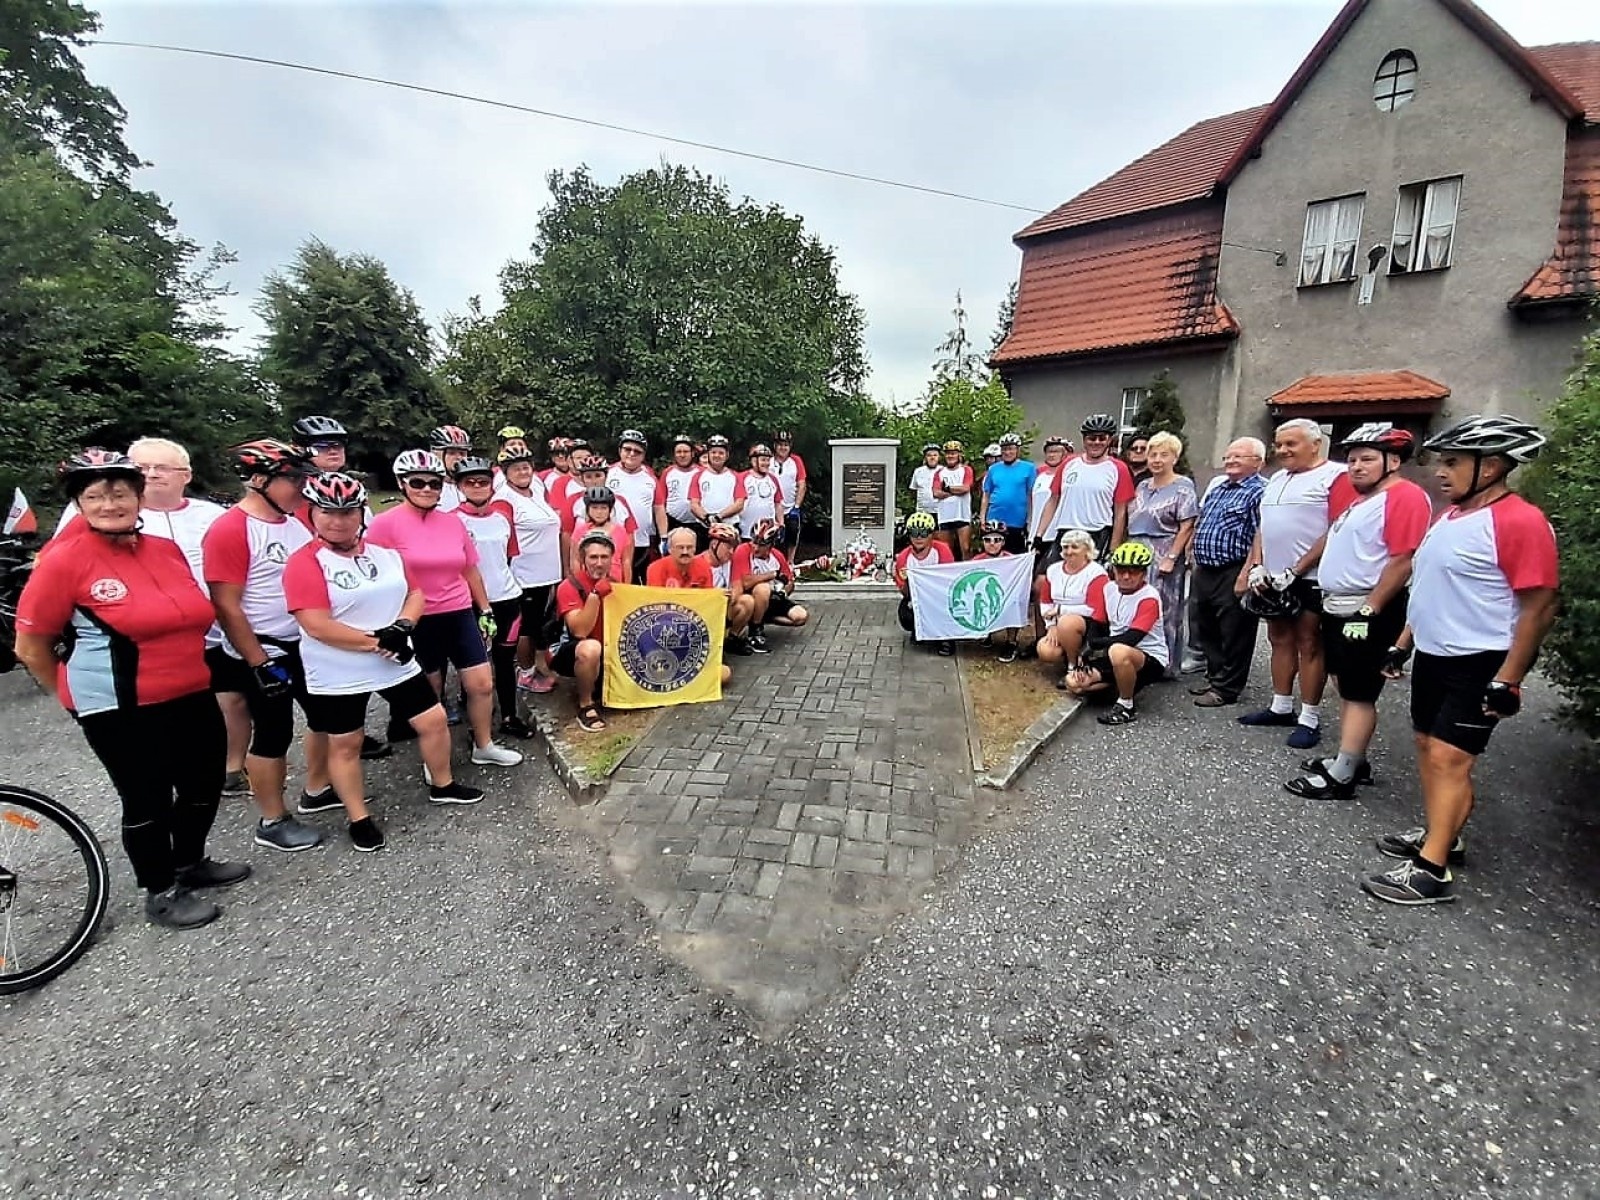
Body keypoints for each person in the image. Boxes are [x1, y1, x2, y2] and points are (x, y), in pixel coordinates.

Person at [15, 450, 249, 929]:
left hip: (190, 687)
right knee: (147, 798)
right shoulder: (63, 560)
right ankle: (159, 891)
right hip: (118, 704)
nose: (109, 504)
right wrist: (70, 697)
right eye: (94, 496)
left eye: (120, 492)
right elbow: (30, 645)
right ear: (78, 503)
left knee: (204, 784)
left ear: (139, 496)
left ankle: (189, 862)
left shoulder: (163, 549)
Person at [1361, 416, 1558, 906]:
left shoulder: (1519, 520)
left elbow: (1540, 605)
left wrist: (1509, 679)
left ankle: (1432, 870)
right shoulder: (1449, 517)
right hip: (1433, 651)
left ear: (1490, 466)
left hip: (1481, 658)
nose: (1441, 472)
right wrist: (1402, 642)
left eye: (1453, 463)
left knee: (1451, 757)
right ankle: (1444, 833)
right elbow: (1428, 585)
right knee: (1428, 746)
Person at [284, 474, 483, 851]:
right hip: (338, 667)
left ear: (362, 513)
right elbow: (316, 624)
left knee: (433, 720)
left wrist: (404, 624)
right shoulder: (305, 562)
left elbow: (415, 592)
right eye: (328, 512)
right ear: (312, 514)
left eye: (347, 512)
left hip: (394, 654)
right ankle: (359, 818)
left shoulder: (385, 553)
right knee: (346, 742)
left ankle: (442, 784)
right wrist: (378, 641)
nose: (338, 521)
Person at [1284, 425, 1431, 800]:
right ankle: (1352, 756)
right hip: (1340, 604)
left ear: (1393, 461)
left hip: (1366, 608)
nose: (1356, 467)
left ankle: (1344, 775)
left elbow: (1403, 559)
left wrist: (1371, 609)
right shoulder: (1362, 500)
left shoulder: (1404, 497)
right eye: (1351, 460)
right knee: (1345, 683)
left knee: (1359, 691)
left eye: (1367, 459)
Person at [202, 439, 328, 852]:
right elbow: (225, 604)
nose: (302, 486)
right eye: (293, 478)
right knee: (273, 731)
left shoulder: (296, 521)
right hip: (261, 646)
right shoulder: (230, 528)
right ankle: (273, 820)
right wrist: (257, 662)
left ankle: (316, 789)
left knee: (326, 716)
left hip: (303, 639)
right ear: (258, 480)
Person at [367, 450, 523, 767]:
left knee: (481, 684)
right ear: (402, 484)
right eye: (418, 482)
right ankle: (435, 761)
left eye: (434, 483)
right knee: (431, 690)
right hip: (418, 619)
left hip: (459, 611)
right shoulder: (384, 526)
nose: (427, 489)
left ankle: (483, 744)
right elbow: (374, 577)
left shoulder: (452, 523)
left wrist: (485, 609)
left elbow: (469, 569)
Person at [120, 438, 255, 794]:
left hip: (216, 627)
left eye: (161, 468)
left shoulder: (211, 515)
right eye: (140, 468)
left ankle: (231, 767)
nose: (150, 475)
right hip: (152, 638)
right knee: (171, 709)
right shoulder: (116, 516)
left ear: (186, 475)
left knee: (233, 699)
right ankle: (173, 772)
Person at [1236, 418, 1356, 749]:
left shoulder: (1335, 475)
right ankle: (1281, 706)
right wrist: (1257, 565)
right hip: (1273, 576)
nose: (1283, 450)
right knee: (1278, 637)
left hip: (1311, 577)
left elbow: (1336, 528)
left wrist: (1299, 569)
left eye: (1292, 444)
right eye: (1279, 444)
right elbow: (1264, 525)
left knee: (1309, 643)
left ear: (1315, 444)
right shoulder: (1276, 479)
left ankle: (1310, 717)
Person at [290, 416, 391, 762]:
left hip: (355, 594)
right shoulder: (297, 495)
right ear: (303, 450)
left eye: (338, 444)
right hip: (311, 602)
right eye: (322, 446)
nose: (333, 450)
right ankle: (318, 785)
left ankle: (350, 745)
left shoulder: (350, 487)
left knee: (349, 703)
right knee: (323, 714)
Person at [451, 456, 534, 740]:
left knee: (504, 660)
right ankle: (478, 723)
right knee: (476, 666)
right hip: (470, 603)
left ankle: (510, 716)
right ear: (460, 486)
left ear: (491, 485)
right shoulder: (452, 521)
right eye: (469, 482)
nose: (477, 486)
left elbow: (507, 557)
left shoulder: (503, 517)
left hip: (507, 598)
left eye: (483, 482)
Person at [1188, 438, 1267, 708]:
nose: (1230, 461)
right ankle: (1215, 678)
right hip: (1205, 568)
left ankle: (1227, 688)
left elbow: (1261, 534)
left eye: (1239, 457)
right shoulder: (1220, 487)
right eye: (1228, 457)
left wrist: (1248, 571)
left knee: (1235, 630)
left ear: (1258, 462)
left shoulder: (1260, 491)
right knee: (1206, 626)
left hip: (1234, 568)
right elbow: (1202, 523)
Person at [1062, 542, 1167, 724]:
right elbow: (1097, 622)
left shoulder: (1149, 598)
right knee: (1073, 682)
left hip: (1148, 657)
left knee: (1118, 650)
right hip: (1114, 653)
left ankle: (1126, 706)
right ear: (1114, 570)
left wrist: (1096, 645)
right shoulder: (1108, 589)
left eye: (1133, 571)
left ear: (1143, 573)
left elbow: (1131, 639)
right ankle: (1119, 687)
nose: (1126, 576)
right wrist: (1086, 654)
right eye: (1121, 570)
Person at [1126, 432, 1198, 678]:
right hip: (1136, 550)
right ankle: (1138, 657)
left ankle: (1164, 664)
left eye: (1163, 455)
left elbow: (1187, 524)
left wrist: (1171, 557)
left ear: (1175, 458)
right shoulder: (1143, 485)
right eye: (1152, 454)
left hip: (1164, 551)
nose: (1157, 459)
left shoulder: (1183, 486)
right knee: (1137, 605)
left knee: (1164, 609)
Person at [498, 446, 562, 695]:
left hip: (546, 573)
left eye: (526, 466)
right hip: (525, 575)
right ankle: (525, 673)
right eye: (516, 468)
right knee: (525, 627)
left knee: (537, 625)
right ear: (506, 473)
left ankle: (534, 667)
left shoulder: (535, 490)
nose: (522, 472)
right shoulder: (504, 499)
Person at [553, 531, 617, 733]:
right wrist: (595, 595)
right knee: (590, 648)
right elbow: (580, 630)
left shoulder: (617, 581)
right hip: (570, 650)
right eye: (593, 557)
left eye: (604, 557)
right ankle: (586, 705)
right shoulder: (569, 586)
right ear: (582, 559)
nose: (599, 563)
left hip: (606, 646)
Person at [1048, 414, 1135, 560]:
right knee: (1046, 578)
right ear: (1084, 440)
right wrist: (1038, 536)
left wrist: (1113, 549)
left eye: (1102, 438)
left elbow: (1120, 513)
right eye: (1091, 438)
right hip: (1066, 530)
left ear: (1109, 440)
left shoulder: (1119, 468)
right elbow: (1052, 501)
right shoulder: (1069, 463)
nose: (1096, 442)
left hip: (1097, 533)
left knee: (1088, 580)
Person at [1036, 529, 1111, 687]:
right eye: (1065, 547)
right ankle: (1072, 655)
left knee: (1067, 623)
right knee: (1046, 651)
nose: (1069, 551)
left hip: (1091, 625)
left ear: (1087, 549)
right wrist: (1051, 627)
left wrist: (1061, 610)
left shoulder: (1097, 573)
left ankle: (1073, 667)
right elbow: (1045, 601)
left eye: (1075, 547)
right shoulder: (1053, 570)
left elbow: (1094, 609)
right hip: (1058, 621)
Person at [733, 519, 808, 650]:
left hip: (772, 598)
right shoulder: (743, 550)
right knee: (762, 588)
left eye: (761, 544)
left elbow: (790, 581)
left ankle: (762, 618)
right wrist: (772, 575)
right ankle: (755, 630)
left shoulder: (777, 556)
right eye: (754, 541)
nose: (755, 547)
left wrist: (784, 591)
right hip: (753, 597)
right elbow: (745, 582)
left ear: (771, 544)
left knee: (801, 617)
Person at [895, 510, 955, 655]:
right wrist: (905, 580)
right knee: (906, 614)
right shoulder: (903, 558)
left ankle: (946, 638)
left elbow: (949, 579)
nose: (919, 537)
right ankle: (918, 628)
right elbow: (905, 592)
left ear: (931, 534)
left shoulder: (942, 550)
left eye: (924, 533)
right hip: (917, 597)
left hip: (940, 596)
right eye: (914, 533)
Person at [564, 455, 639, 569]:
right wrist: (567, 569)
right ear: (582, 479)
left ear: (606, 476)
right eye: (588, 476)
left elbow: (629, 538)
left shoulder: (620, 501)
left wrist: (627, 568)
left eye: (598, 476)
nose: (594, 481)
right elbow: (567, 537)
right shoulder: (573, 501)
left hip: (614, 566)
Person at [698, 522, 757, 654]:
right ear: (714, 544)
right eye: (728, 547)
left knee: (747, 601)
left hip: (725, 604)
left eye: (734, 548)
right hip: (705, 609)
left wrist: (729, 599)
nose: (732, 552)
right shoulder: (699, 563)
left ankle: (731, 639)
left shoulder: (731, 562)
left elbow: (738, 587)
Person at [606, 428, 658, 581]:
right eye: (627, 449)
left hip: (642, 540)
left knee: (638, 582)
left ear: (643, 455)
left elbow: (659, 508)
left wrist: (663, 537)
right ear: (619, 450)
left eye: (637, 451)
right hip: (613, 539)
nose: (632, 454)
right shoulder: (607, 473)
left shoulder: (650, 476)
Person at [970, 520, 1022, 661]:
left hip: (1006, 596)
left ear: (1003, 542)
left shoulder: (1014, 561)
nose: (992, 543)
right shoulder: (976, 561)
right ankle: (985, 633)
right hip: (986, 596)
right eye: (987, 539)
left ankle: (1011, 642)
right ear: (982, 542)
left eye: (997, 539)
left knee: (1014, 602)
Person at [979, 433, 1037, 556]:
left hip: (1017, 520)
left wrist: (1031, 520)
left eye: (1011, 448)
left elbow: (1031, 495)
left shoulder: (1029, 468)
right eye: (1004, 449)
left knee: (1015, 555)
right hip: (994, 519)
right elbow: (986, 494)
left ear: (1017, 450)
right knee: (993, 554)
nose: (1007, 452)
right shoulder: (993, 469)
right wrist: (982, 518)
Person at [570, 485, 634, 582]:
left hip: (615, 581)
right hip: (589, 581)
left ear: (610, 510)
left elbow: (626, 561)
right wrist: (580, 585)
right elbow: (575, 560)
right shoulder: (580, 531)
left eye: (603, 508)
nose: (599, 512)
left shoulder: (620, 531)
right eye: (594, 508)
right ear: (587, 510)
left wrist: (627, 585)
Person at [655, 434, 705, 550]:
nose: (682, 455)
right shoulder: (667, 472)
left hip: (698, 524)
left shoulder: (703, 473)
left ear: (692, 453)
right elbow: (661, 502)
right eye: (679, 452)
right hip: (673, 523)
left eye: (686, 451)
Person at [687, 435, 746, 533]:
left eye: (721, 453)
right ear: (708, 454)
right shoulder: (698, 476)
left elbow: (739, 503)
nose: (717, 455)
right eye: (713, 452)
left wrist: (719, 516)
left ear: (727, 455)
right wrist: (706, 518)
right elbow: (694, 504)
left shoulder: (736, 476)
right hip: (704, 527)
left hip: (729, 527)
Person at [932, 440, 975, 559]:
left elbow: (965, 488)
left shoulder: (966, 470)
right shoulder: (939, 472)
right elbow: (936, 492)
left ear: (959, 455)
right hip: (945, 515)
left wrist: (946, 489)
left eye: (953, 453)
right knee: (946, 550)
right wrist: (955, 491)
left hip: (962, 514)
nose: (950, 456)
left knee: (965, 548)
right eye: (948, 453)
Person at [739, 444, 784, 543]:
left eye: (768, 460)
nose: (767, 463)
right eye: (763, 460)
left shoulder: (773, 479)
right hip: (745, 531)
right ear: (754, 461)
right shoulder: (742, 478)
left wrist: (781, 524)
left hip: (768, 532)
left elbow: (778, 503)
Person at [647, 527, 716, 588]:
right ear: (670, 549)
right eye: (680, 547)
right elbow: (655, 599)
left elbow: (708, 597)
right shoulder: (656, 569)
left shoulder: (704, 567)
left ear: (695, 548)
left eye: (689, 547)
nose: (685, 552)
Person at [771, 431, 807, 547]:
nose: (783, 448)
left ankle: (790, 561)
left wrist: (796, 507)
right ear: (775, 446)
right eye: (780, 445)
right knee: (771, 536)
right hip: (772, 507)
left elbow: (801, 484)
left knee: (793, 534)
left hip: (791, 506)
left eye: (786, 445)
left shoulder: (796, 461)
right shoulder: (769, 461)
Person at [428, 426, 474, 512]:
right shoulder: (426, 489)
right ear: (436, 454)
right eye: (451, 453)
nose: (459, 458)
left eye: (462, 453)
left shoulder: (473, 488)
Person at [908, 444, 942, 518]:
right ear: (925, 457)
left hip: (940, 512)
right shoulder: (918, 471)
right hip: (922, 513)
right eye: (929, 455)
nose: (932, 457)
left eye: (935, 455)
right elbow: (913, 490)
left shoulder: (944, 471)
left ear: (939, 457)